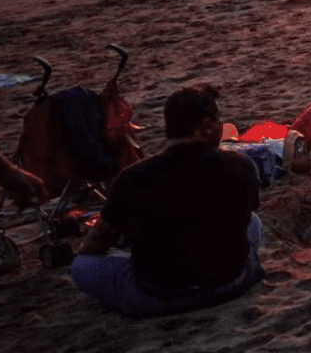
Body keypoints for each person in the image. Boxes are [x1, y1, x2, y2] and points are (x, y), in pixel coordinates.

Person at [71, 86, 263, 318]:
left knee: (81, 266)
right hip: (232, 283)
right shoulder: (240, 165)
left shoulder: (131, 178)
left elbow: (97, 242)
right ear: (207, 126)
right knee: (254, 222)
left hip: (159, 297)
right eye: (219, 120)